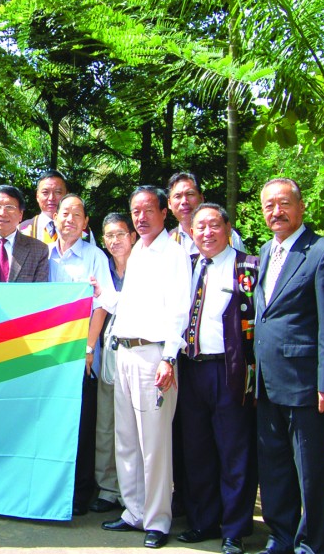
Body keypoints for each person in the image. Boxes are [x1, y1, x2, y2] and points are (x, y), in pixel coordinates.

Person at [253, 178, 324, 554]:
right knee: (274, 468)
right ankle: (279, 537)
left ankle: (310, 545)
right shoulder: (265, 251)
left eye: (283, 203)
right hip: (268, 382)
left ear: (301, 206)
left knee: (310, 473)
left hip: (308, 385)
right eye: (268, 206)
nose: (276, 212)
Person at [101, 186, 191, 549]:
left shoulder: (173, 253)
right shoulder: (138, 249)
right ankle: (133, 510)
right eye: (135, 211)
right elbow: (132, 302)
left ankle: (157, 519)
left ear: (163, 212)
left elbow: (179, 309)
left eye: (147, 210)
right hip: (124, 351)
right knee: (126, 439)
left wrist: (170, 357)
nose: (140, 217)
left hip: (153, 357)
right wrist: (101, 295)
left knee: (153, 444)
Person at [174, 204, 258, 554]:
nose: (206, 233)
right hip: (192, 369)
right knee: (197, 451)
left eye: (213, 225)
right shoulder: (188, 266)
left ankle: (234, 529)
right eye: (200, 227)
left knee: (234, 451)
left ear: (227, 227)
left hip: (231, 371)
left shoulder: (248, 266)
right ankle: (203, 521)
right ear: (191, 233)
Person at [47, 195, 116, 518]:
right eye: (65, 213)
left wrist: (88, 349)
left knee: (83, 424)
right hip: (48, 357)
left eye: (77, 214)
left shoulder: (94, 257)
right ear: (54, 218)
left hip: (81, 356)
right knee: (52, 424)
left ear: (86, 222)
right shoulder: (43, 255)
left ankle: (80, 493)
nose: (70, 219)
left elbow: (101, 305)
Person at [89, 212, 136, 516]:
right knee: (105, 422)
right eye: (109, 236)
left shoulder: (146, 265)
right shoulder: (103, 267)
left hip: (140, 351)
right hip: (109, 350)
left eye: (120, 234)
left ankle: (133, 489)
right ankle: (108, 487)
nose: (115, 240)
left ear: (132, 236)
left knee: (134, 425)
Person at [167, 172, 245, 258]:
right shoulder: (168, 241)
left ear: (201, 198)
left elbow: (242, 268)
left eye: (190, 194)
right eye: (178, 196)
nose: (184, 201)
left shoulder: (229, 236)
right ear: (169, 203)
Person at [19, 170, 68, 243]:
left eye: (58, 192)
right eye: (45, 192)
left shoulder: (81, 231)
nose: (51, 198)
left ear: (66, 195)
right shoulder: (22, 230)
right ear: (37, 196)